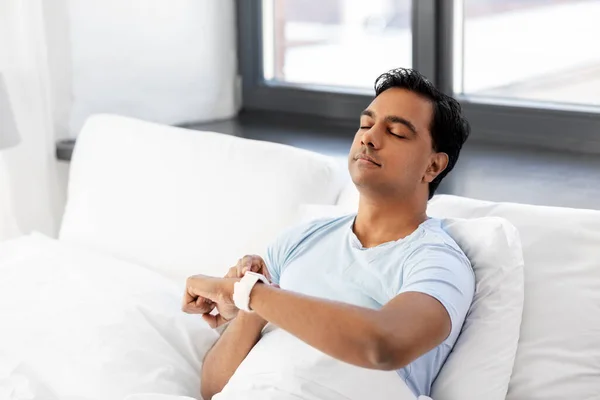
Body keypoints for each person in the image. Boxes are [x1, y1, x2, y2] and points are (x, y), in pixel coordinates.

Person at [182, 68, 475, 400]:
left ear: (433, 166)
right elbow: (213, 388)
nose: (369, 138)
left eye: (395, 132)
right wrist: (254, 305)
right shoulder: (300, 241)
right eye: (366, 125)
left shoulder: (438, 262)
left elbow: (385, 345)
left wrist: (250, 292)